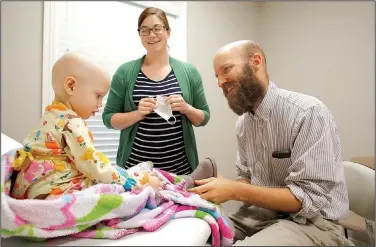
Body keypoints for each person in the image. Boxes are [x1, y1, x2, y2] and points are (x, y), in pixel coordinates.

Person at [189, 40, 353, 246]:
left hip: (313, 223)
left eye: (226, 70)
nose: (220, 82)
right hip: (261, 215)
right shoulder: (243, 124)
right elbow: (249, 180)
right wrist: (220, 185)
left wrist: (233, 190)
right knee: (198, 235)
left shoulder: (308, 113)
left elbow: (306, 200)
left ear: (256, 61)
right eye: (217, 76)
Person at [9, 52, 217, 200]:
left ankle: (176, 183)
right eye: (98, 96)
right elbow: (97, 171)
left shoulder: (49, 116)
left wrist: (186, 107)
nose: (100, 104)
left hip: (37, 190)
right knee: (129, 185)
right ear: (71, 86)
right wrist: (138, 181)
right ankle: (172, 190)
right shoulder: (71, 124)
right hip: (55, 194)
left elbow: (203, 116)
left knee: (130, 173)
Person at [102, 7, 210, 176]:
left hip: (180, 171)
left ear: (168, 32)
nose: (151, 35)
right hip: (135, 172)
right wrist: (137, 114)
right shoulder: (124, 72)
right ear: (139, 35)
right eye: (144, 31)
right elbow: (108, 118)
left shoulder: (190, 72)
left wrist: (186, 108)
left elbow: (203, 118)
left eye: (157, 28)